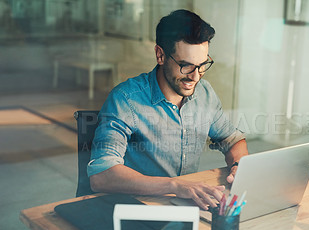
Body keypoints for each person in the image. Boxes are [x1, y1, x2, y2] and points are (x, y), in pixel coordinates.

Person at [88, 9, 248, 210]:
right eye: (185, 66)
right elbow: (102, 175)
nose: (196, 77)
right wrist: (175, 185)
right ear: (160, 55)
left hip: (186, 206)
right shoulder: (125, 99)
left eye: (202, 65)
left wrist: (238, 165)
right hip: (136, 209)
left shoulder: (205, 94)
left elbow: (233, 140)